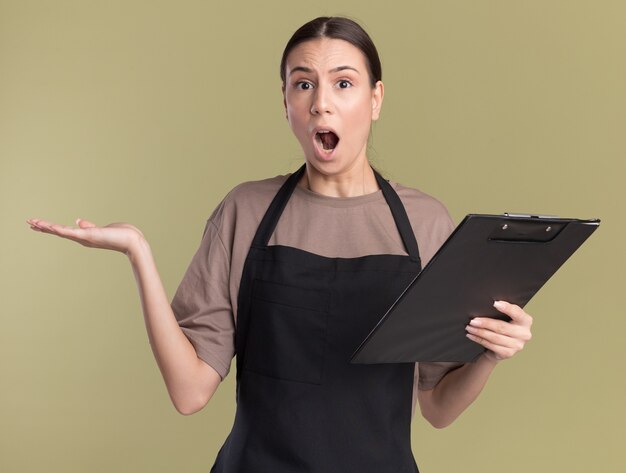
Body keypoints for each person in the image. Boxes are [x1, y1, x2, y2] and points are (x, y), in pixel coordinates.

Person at [27, 16, 533, 473]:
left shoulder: (425, 223)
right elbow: (189, 393)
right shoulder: (244, 212)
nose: (322, 103)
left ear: (375, 99)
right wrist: (138, 251)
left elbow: (438, 408)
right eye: (303, 84)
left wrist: (488, 354)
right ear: (286, 102)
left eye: (343, 83)